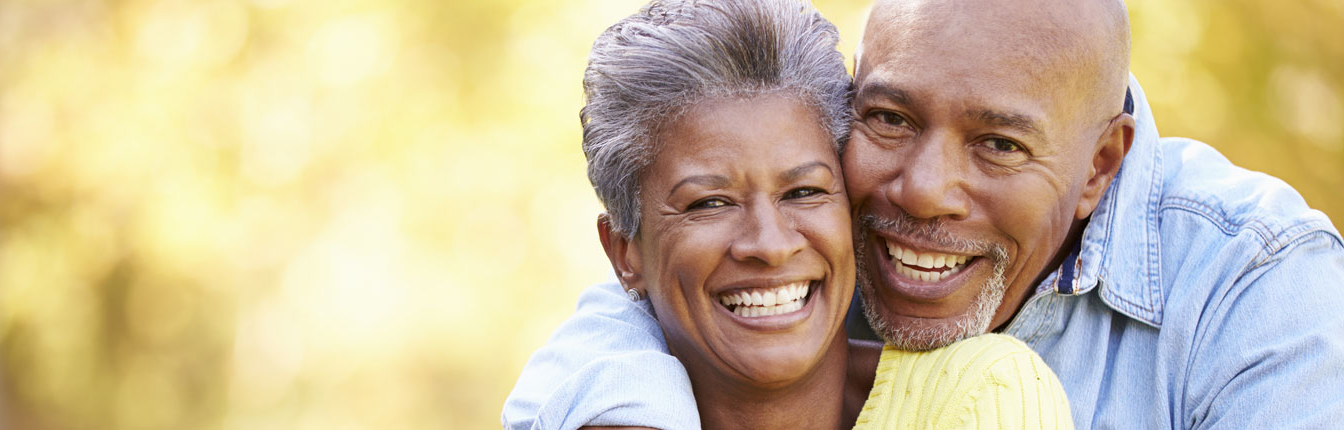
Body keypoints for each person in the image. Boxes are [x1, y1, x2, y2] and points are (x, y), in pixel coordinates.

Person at [504, 0, 1344, 428]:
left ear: (1099, 168)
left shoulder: (1259, 283)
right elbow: (651, 292)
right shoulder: (812, 224)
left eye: (999, 146)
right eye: (891, 119)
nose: (921, 190)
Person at [506, 0, 1074, 429]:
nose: (771, 244)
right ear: (624, 254)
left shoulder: (977, 395)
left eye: (803, 192)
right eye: (709, 203)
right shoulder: (596, 388)